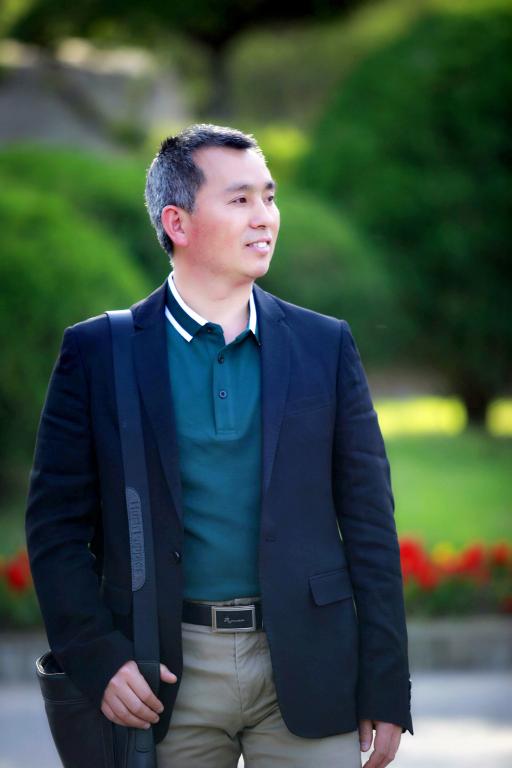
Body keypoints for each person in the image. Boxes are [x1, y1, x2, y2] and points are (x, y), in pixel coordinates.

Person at [26, 123, 413, 768]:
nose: (265, 217)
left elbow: (371, 524)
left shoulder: (325, 346)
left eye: (269, 196)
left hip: (311, 664)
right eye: (240, 200)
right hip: (162, 677)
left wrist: (386, 683)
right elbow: (55, 528)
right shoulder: (97, 353)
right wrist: (96, 656)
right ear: (177, 222)